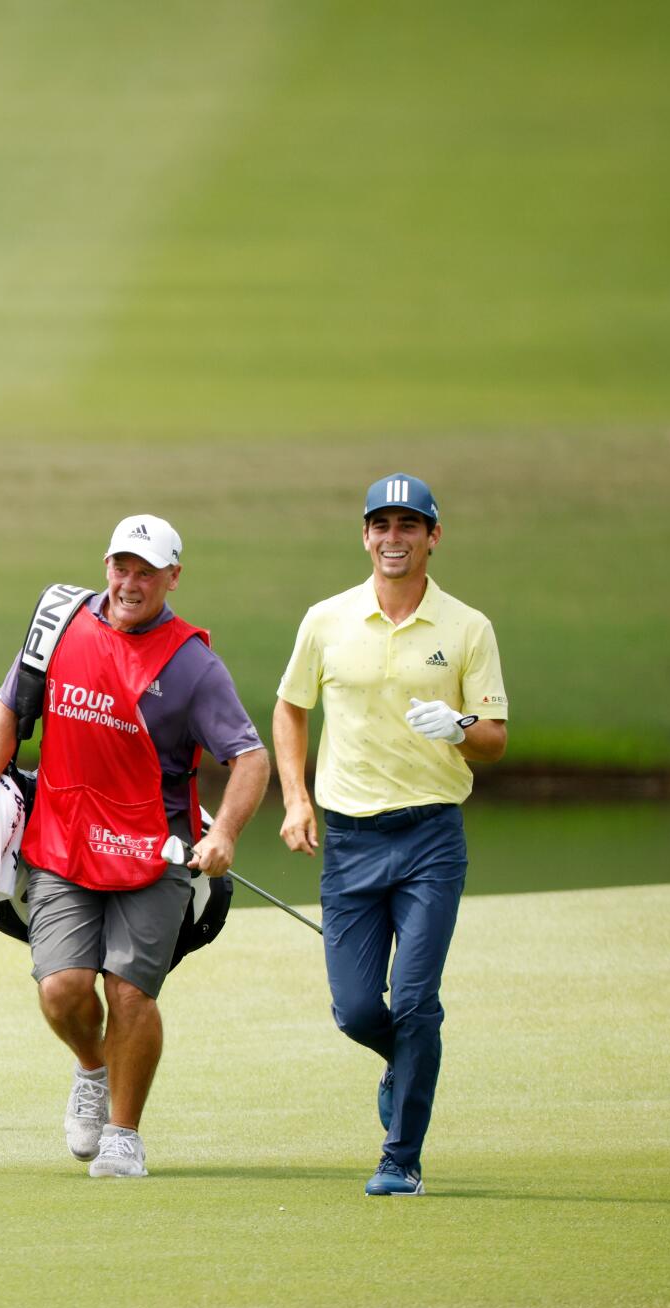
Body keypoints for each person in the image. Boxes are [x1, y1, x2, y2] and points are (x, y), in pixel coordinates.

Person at [0, 516, 270, 1179]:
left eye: (147, 571)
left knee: (129, 994)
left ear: (173, 577)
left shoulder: (193, 664)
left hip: (153, 854)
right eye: (122, 567)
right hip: (61, 843)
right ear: (106, 565)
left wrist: (225, 832)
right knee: (62, 991)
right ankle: (93, 1068)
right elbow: (6, 716)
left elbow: (250, 756)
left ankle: (124, 1133)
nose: (130, 582)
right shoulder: (61, 626)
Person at [273, 472, 509, 1196]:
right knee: (356, 1010)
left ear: (433, 537)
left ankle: (400, 1157)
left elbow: (495, 738)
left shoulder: (467, 627)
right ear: (366, 535)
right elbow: (289, 708)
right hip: (348, 838)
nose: (393, 538)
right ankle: (405, 1064)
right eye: (382, 525)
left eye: (409, 526)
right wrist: (295, 798)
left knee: (413, 1001)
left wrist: (462, 726)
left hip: (431, 837)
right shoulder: (327, 619)